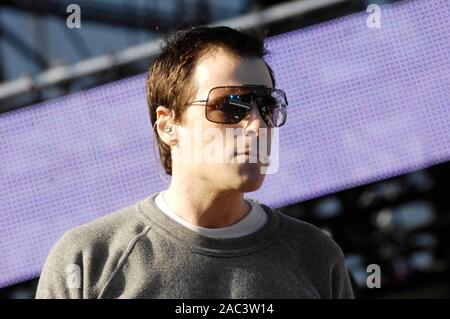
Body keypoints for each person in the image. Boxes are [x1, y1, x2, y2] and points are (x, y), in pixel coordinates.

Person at [36, 25, 354, 299]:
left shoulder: (316, 256)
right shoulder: (88, 259)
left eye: (267, 106)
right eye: (231, 105)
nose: (257, 125)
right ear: (168, 126)